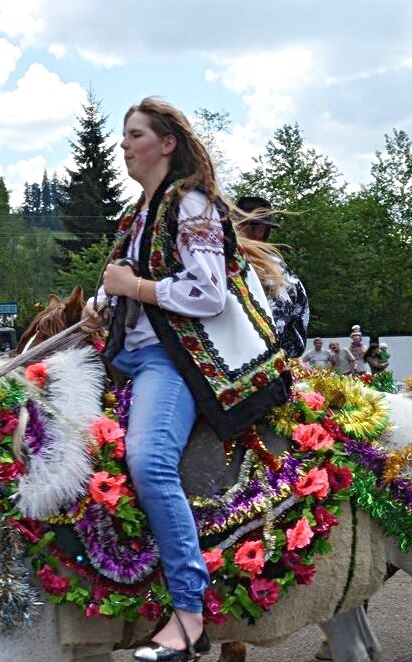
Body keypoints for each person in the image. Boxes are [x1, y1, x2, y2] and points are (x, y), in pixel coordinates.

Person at [82, 97, 291, 662]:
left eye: (134, 134)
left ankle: (190, 615)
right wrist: (101, 304)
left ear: (167, 143)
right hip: (126, 359)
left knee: (148, 462)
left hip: (171, 365)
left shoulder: (193, 205)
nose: (123, 144)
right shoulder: (139, 212)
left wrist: (132, 291)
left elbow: (207, 293)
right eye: (123, 136)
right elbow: (130, 277)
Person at [235, 196, 309, 358]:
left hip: (262, 364)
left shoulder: (274, 272)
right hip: (272, 365)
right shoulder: (280, 271)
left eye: (251, 226)